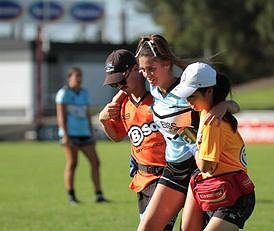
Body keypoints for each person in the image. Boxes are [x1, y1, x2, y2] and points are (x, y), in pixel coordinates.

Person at [135, 34, 240, 231]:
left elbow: (235, 106)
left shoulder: (188, 92)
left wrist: (223, 105)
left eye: (151, 68)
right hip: (173, 169)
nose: (147, 74)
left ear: (167, 64)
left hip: (198, 168)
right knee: (146, 228)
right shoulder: (154, 88)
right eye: (143, 69)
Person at [98, 49, 176, 230]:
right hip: (142, 179)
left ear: (136, 70)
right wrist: (103, 120)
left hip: (167, 177)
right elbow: (117, 136)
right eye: (114, 84)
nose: (119, 86)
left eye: (121, 80)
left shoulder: (159, 97)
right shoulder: (123, 104)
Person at [172, 62, 256, 231]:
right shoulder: (206, 110)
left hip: (232, 195)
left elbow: (206, 166)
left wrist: (192, 144)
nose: (188, 101)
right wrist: (225, 105)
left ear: (209, 91)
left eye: (191, 96)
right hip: (217, 190)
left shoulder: (212, 121)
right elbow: (235, 106)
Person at [55, 67, 107, 204]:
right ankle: (71, 195)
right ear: (69, 78)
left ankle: (99, 194)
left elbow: (87, 115)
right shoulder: (63, 93)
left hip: (84, 133)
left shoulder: (84, 92)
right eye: (76, 76)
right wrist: (65, 135)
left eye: (80, 76)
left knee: (96, 162)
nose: (79, 78)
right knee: (73, 163)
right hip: (70, 134)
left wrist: (92, 133)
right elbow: (61, 117)